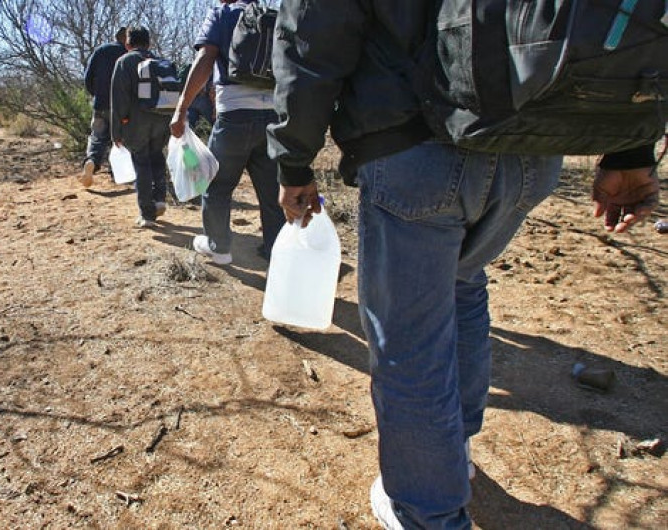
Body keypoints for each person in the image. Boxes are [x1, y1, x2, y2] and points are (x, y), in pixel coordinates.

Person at [265, 2, 660, 529]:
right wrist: (630, 148)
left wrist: (294, 160)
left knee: (409, 339)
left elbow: (313, 36)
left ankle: (426, 511)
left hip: (413, 150)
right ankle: (457, 447)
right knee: (463, 284)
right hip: (534, 147)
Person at [170, 0, 285, 265]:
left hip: (235, 115)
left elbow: (205, 58)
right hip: (274, 116)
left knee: (215, 183)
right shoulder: (275, 17)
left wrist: (182, 107)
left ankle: (218, 246)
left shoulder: (222, 14)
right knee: (271, 189)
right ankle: (276, 251)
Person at [110, 26, 171, 228]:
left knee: (142, 163)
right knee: (157, 158)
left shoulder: (124, 62)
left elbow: (119, 100)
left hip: (136, 123)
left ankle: (147, 213)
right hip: (161, 120)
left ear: (127, 43)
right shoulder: (159, 61)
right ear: (149, 43)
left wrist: (116, 131)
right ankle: (160, 198)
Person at [79, 27, 127, 188]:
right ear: (127, 39)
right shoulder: (130, 54)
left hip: (100, 103)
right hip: (121, 106)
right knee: (119, 139)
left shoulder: (100, 51)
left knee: (97, 137)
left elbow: (88, 77)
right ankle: (117, 173)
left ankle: (92, 161)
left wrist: (96, 94)